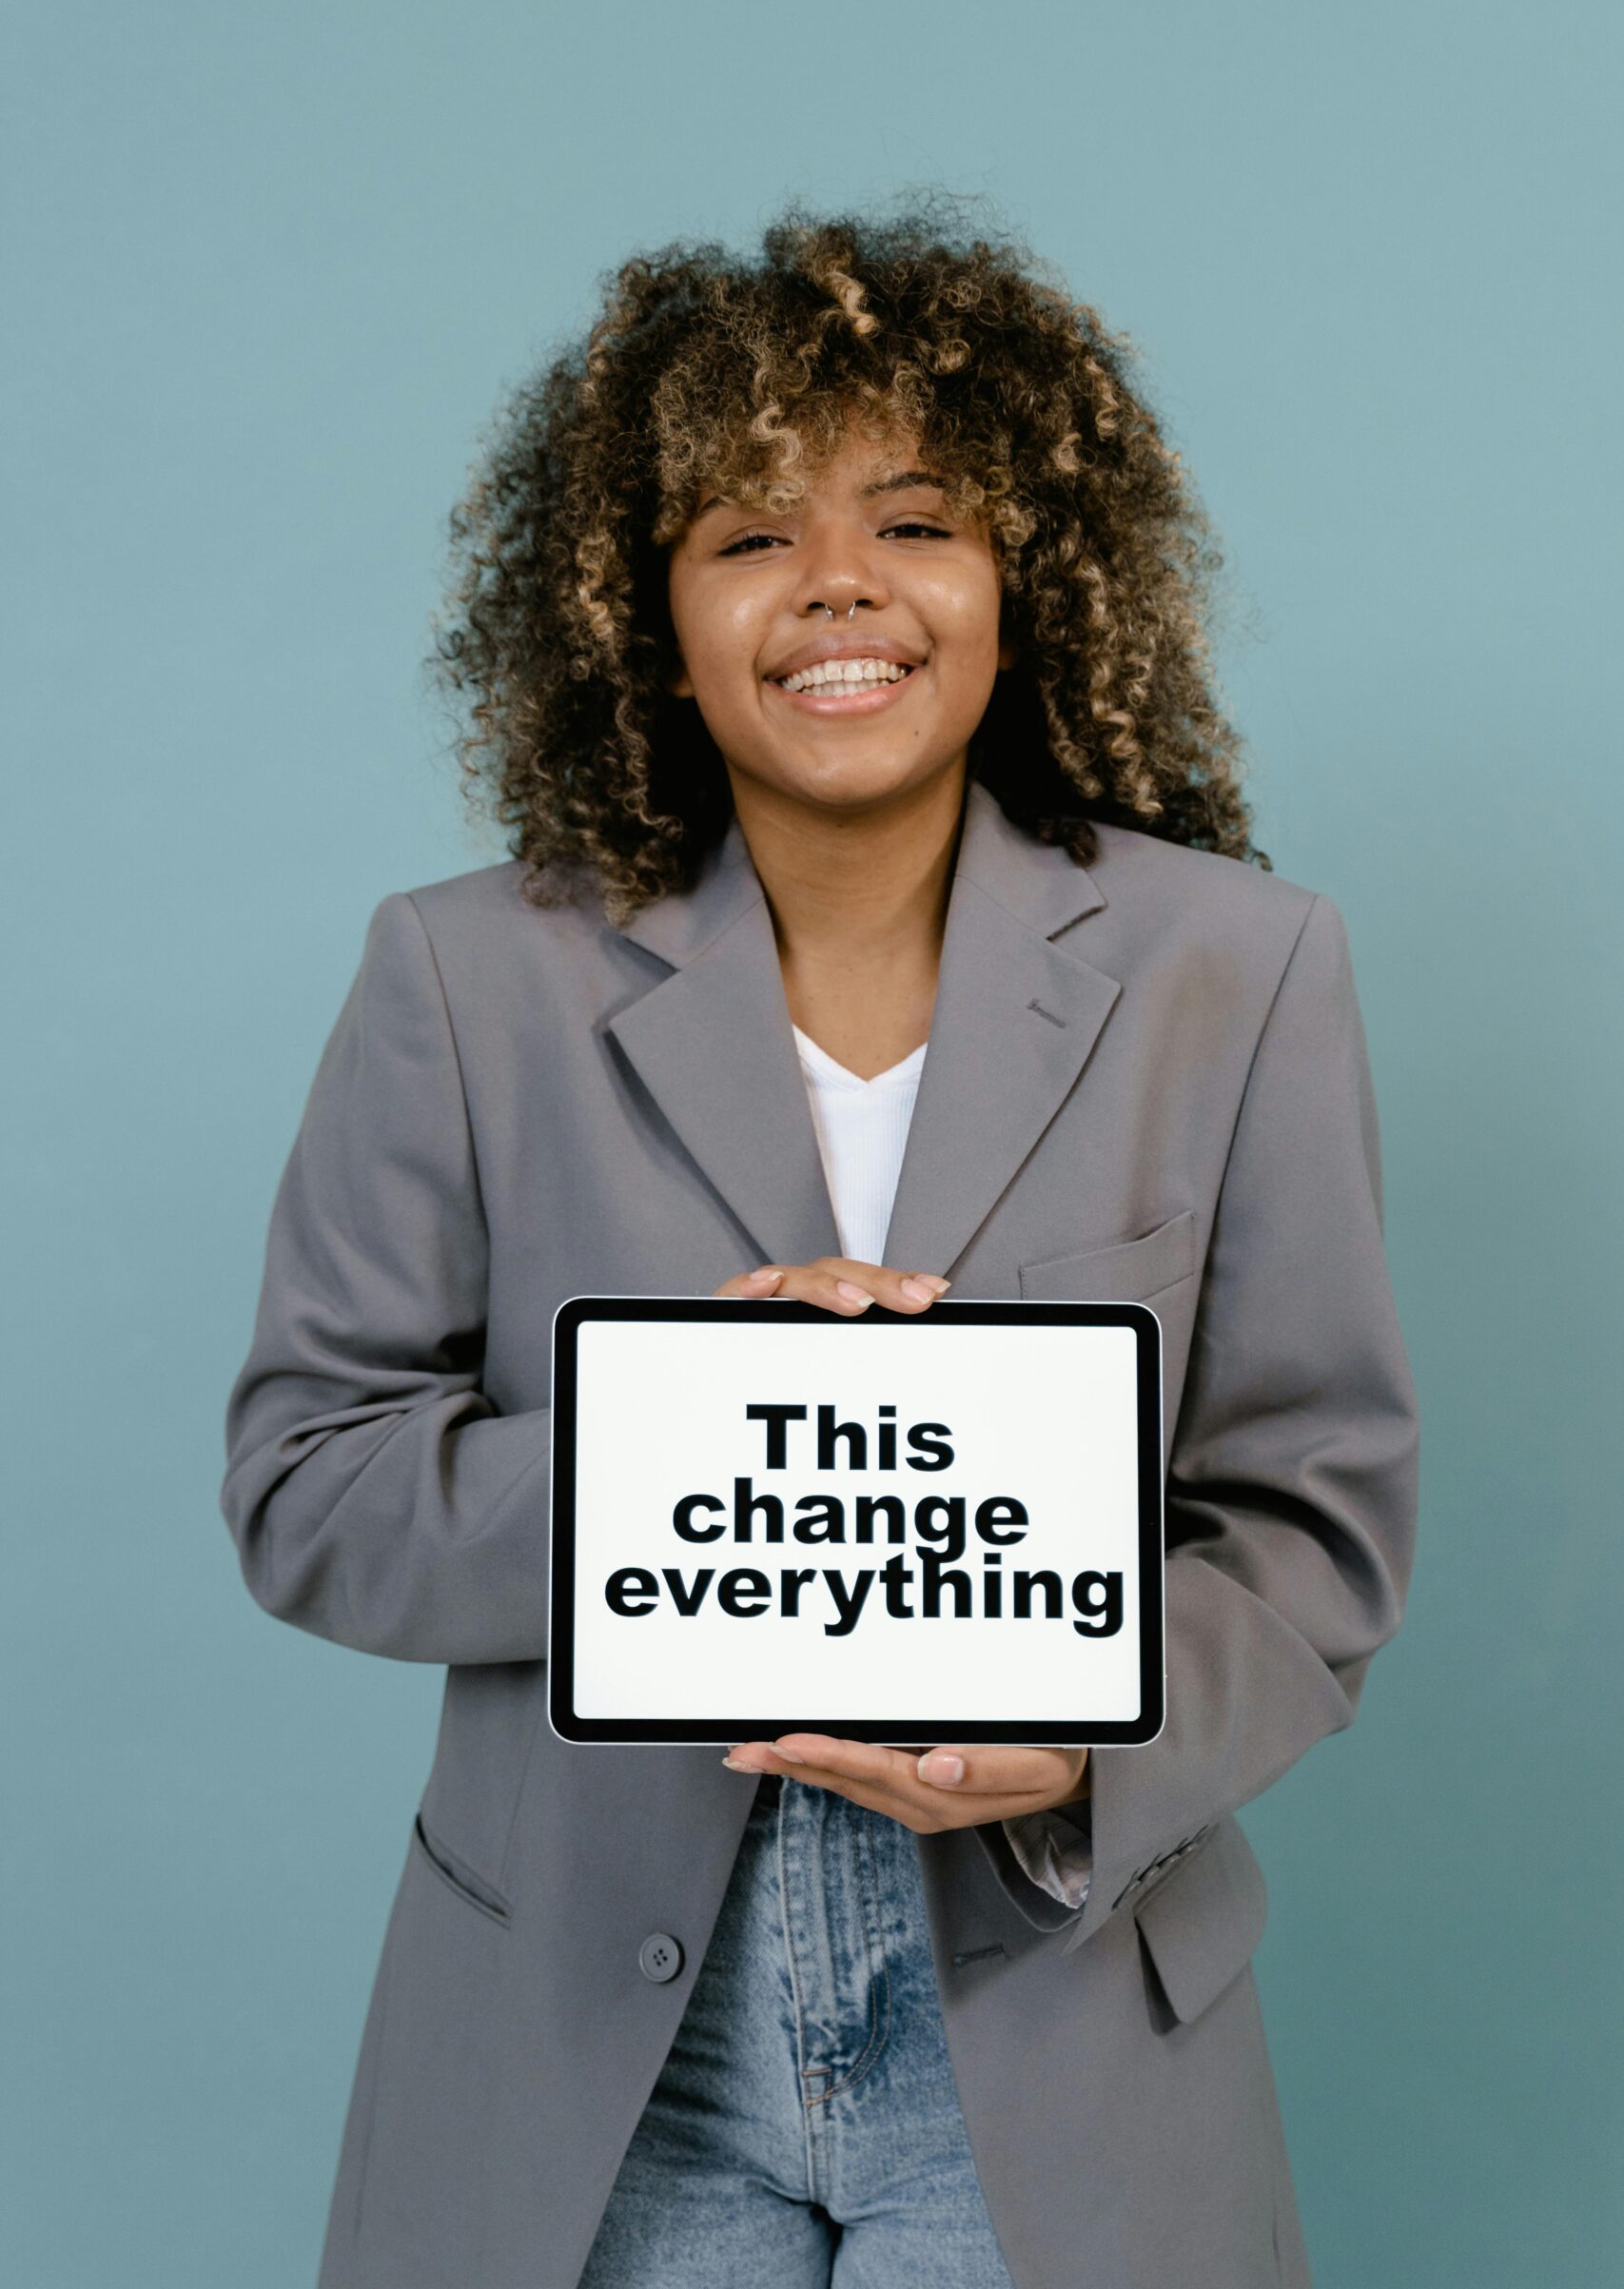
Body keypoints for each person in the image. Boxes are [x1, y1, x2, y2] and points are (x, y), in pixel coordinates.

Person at [221, 199, 1419, 2289]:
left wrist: (1096, 1741)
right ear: (643, 612)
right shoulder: (456, 977)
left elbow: (1308, 1526)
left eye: (915, 520)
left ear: (1022, 575)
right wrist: (686, 1435)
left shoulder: (1238, 967)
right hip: (595, 2033)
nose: (838, 588)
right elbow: (307, 1482)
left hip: (1050, 2015)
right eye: (747, 533)